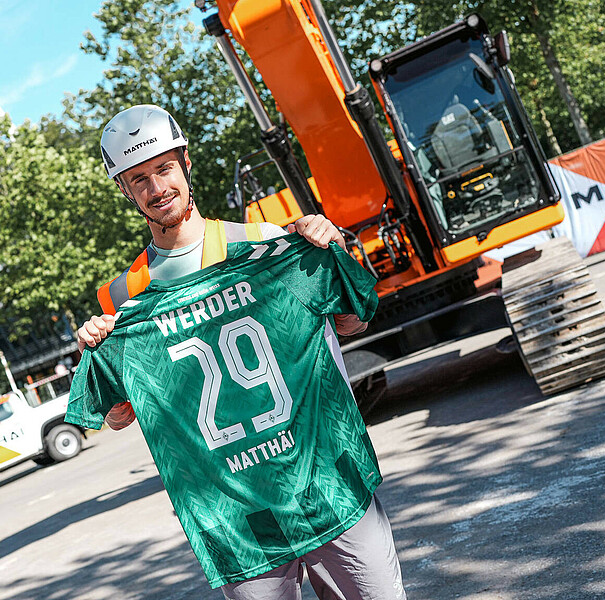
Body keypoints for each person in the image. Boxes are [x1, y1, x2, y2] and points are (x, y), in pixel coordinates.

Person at [67, 104, 405, 599]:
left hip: (324, 477)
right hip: (235, 514)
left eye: (163, 169)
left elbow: (352, 322)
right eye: (139, 179)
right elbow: (119, 416)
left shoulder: (266, 244)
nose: (156, 188)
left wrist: (331, 250)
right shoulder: (121, 298)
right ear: (124, 189)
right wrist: (96, 347)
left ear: (185, 161)